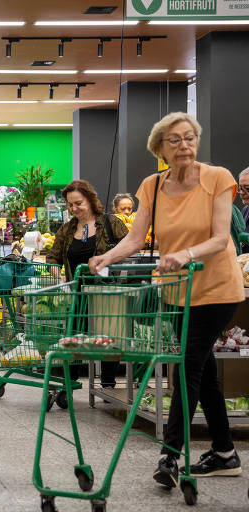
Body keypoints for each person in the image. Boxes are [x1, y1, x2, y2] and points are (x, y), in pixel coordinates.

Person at [89, 112, 244, 486]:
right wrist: (106, 257)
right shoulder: (152, 186)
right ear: (159, 148)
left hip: (217, 286)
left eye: (189, 137)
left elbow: (221, 238)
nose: (184, 145)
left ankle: (170, 455)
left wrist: (185, 255)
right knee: (204, 372)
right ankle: (225, 452)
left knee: (187, 366)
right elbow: (136, 237)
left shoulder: (217, 178)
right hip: (177, 289)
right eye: (174, 140)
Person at [47, 180, 129, 394]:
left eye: (78, 203)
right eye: (70, 205)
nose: (74, 209)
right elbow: (53, 257)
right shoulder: (66, 230)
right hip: (77, 295)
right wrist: (56, 275)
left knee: (110, 339)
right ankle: (69, 385)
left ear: (91, 200)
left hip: (107, 294)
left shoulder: (111, 223)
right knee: (74, 340)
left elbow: (129, 249)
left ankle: (108, 386)